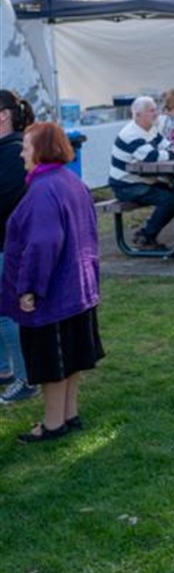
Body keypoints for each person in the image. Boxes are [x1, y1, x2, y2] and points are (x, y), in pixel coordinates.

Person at [1, 122, 103, 443]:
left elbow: (43, 243)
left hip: (54, 295)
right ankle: (68, 415)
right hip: (78, 289)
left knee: (52, 362)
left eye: (27, 146)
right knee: (71, 357)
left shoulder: (44, 190)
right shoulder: (71, 181)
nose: (21, 152)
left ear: (42, 149)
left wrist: (30, 288)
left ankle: (52, 423)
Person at [108, 96, 174, 249]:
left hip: (141, 181)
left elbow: (166, 145)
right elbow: (151, 157)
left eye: (155, 110)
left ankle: (147, 235)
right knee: (171, 200)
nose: (156, 113)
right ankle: (146, 236)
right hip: (126, 185)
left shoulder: (150, 129)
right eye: (151, 111)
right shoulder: (130, 133)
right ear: (137, 115)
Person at [0, 91, 37, 405]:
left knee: (6, 313)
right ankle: (4, 369)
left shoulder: (12, 152)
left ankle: (26, 378)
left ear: (3, 115)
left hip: (7, 245)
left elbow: (8, 200)